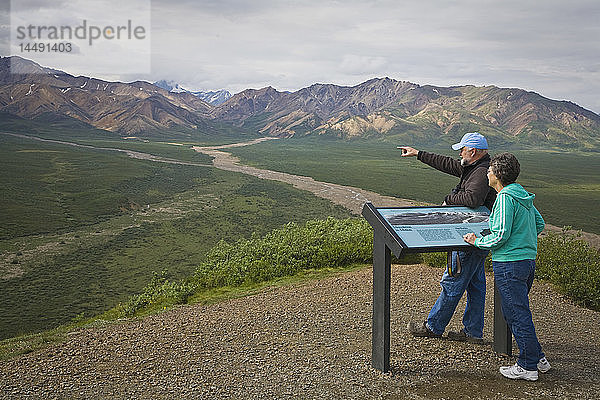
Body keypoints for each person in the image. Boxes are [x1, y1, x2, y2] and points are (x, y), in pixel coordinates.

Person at [398, 132, 496, 344]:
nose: (460, 153)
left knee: (452, 280)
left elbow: (472, 198)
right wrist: (418, 154)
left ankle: (433, 326)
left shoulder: (479, 173)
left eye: (462, 149)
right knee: (476, 284)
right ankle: (473, 332)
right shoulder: (475, 166)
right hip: (479, 236)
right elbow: (447, 164)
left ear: (473, 151)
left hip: (469, 237)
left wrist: (448, 199)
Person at [463, 152, 550, 381]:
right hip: (527, 261)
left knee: (515, 312)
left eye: (490, 170)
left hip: (509, 262)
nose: (487, 173)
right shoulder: (522, 195)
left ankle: (527, 366)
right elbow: (538, 223)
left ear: (498, 175)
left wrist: (477, 241)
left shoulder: (503, 198)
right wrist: (523, 238)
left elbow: (500, 235)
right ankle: (538, 357)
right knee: (517, 310)